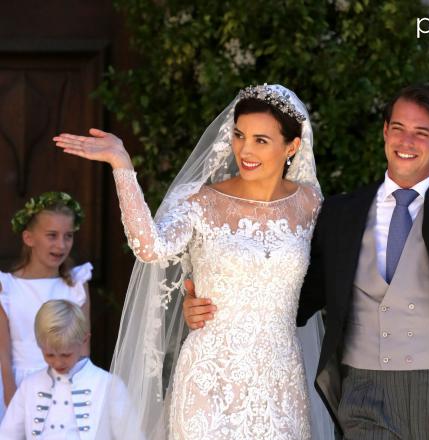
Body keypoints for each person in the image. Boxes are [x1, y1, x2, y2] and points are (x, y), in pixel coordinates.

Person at [184, 30, 429, 439]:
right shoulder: (341, 213)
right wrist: (208, 304)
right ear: (384, 132)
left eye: (421, 133)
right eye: (397, 128)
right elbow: (290, 292)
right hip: (363, 393)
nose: (406, 141)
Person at [53, 84, 334, 439]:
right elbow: (150, 247)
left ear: (292, 147)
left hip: (280, 378)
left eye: (261, 140)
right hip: (209, 375)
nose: (245, 149)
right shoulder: (202, 202)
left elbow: (324, 282)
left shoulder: (310, 203)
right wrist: (121, 165)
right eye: (239, 135)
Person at [0, 192, 92, 421]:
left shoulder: (76, 285)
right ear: (29, 238)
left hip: (65, 384)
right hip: (17, 384)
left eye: (68, 236)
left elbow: (82, 349)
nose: (61, 245)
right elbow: (3, 351)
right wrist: (11, 397)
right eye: (52, 235)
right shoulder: (7, 287)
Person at [0, 299, 141, 439]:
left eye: (65, 355)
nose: (58, 362)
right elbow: (7, 435)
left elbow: (131, 435)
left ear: (84, 341)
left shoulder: (109, 385)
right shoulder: (30, 385)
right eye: (49, 355)